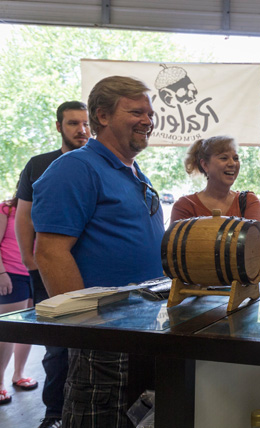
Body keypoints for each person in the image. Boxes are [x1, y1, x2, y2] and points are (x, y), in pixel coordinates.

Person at [32, 76, 164, 427]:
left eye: (150, 113)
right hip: (104, 340)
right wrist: (88, 330)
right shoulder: (76, 168)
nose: (148, 120)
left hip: (144, 332)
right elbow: (50, 252)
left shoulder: (133, 171)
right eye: (136, 111)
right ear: (102, 116)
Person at [15, 100, 89, 428]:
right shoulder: (39, 164)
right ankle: (54, 414)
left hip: (89, 271)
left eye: (85, 123)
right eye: (73, 123)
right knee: (57, 349)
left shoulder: (98, 164)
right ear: (59, 126)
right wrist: (31, 262)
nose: (81, 130)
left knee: (92, 347)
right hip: (47, 271)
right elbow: (24, 214)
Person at [170, 135, 260, 226]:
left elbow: (258, 240)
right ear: (205, 165)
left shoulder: (248, 201)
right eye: (224, 158)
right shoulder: (185, 206)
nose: (232, 163)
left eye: (235, 158)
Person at [0, 193, 37, 406]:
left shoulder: (45, 210)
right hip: (11, 274)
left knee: (28, 328)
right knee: (8, 329)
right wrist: (1, 274)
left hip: (35, 274)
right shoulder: (6, 208)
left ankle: (19, 374)